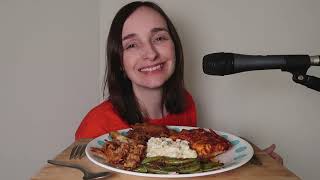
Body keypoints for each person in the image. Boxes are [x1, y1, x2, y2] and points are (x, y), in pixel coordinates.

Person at [75, 1, 283, 165]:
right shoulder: (96, 125)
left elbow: (189, 167)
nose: (150, 53)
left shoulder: (186, 103)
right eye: (132, 45)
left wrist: (246, 164)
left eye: (159, 38)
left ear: (175, 46)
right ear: (119, 61)